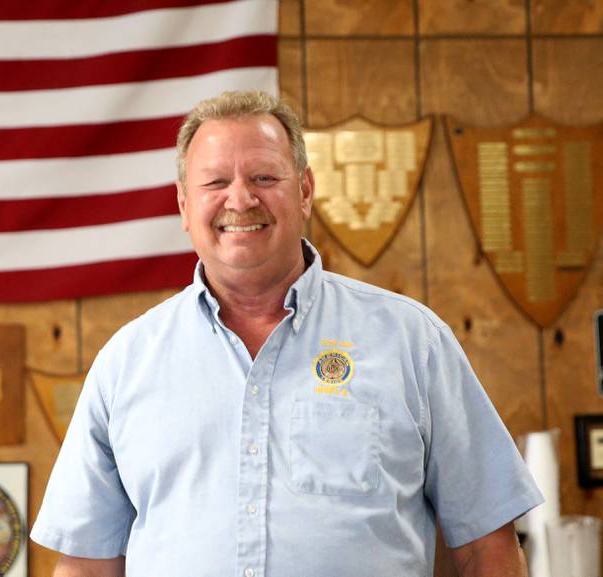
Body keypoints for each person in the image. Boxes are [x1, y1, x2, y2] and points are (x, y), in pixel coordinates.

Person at [31, 91, 543, 577]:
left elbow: (486, 547)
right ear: (185, 206)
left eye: (263, 176)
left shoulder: (413, 343)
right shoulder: (126, 362)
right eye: (214, 183)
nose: (240, 199)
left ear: (304, 192)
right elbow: (87, 564)